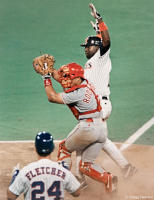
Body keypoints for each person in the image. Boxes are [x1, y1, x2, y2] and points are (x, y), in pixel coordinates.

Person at [75, 3, 137, 183]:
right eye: (84, 46)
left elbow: (106, 41)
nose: (85, 48)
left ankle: (80, 179)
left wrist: (99, 20)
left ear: (96, 47)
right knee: (98, 137)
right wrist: (97, 32)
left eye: (87, 46)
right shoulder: (91, 64)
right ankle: (126, 168)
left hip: (101, 105)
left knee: (85, 136)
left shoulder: (101, 57)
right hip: (95, 105)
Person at [37, 62, 118, 192]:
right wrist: (51, 71)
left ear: (76, 78)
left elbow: (52, 97)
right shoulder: (84, 84)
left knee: (64, 149)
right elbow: (63, 80)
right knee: (85, 166)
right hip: (102, 129)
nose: (65, 79)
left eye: (68, 77)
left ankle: (59, 183)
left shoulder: (78, 93)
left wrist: (46, 78)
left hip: (88, 127)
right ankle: (108, 179)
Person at [7, 131, 81, 200]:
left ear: (35, 148)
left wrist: (14, 178)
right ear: (52, 148)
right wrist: (67, 171)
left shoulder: (25, 172)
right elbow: (77, 193)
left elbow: (11, 196)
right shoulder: (63, 171)